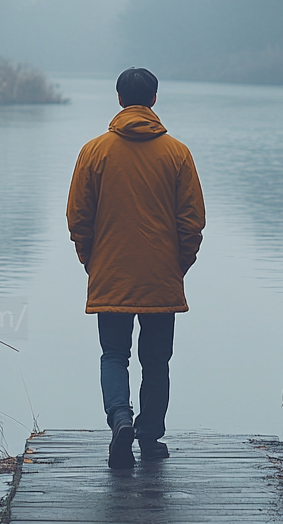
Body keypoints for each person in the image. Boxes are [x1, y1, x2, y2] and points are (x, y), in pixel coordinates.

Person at [66, 68, 205, 469]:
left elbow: (78, 217)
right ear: (155, 100)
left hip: (110, 273)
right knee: (156, 361)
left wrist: (91, 260)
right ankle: (149, 435)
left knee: (113, 355)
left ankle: (120, 419)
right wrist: (179, 265)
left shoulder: (94, 151)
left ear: (119, 98)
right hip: (161, 275)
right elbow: (192, 221)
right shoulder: (178, 153)